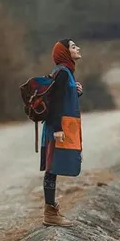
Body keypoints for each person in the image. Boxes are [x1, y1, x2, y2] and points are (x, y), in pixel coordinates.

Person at [40, 38, 83, 227]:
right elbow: (55, 102)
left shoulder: (65, 73)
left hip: (58, 126)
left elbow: (62, 98)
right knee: (52, 169)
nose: (78, 48)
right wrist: (57, 129)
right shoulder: (63, 73)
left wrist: (76, 92)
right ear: (65, 53)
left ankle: (51, 211)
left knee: (54, 168)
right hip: (56, 128)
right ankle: (50, 213)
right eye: (73, 47)